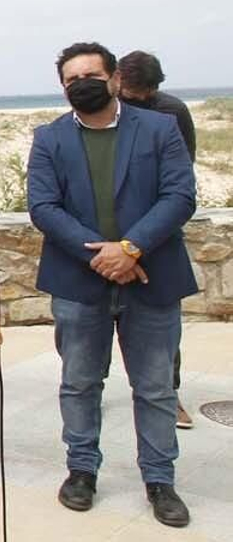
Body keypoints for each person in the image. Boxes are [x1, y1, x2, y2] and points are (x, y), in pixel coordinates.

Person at [29, 42, 197, 529]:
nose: (81, 83)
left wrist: (130, 248)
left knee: (155, 387)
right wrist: (102, 254)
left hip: (151, 278)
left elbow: (180, 194)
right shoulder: (49, 138)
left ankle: (160, 480)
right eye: (70, 78)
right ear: (63, 88)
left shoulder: (160, 129)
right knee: (80, 384)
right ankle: (81, 471)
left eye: (91, 74)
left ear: (115, 79)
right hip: (79, 283)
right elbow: (44, 207)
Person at [117, 50, 199, 430]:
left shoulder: (172, 112)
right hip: (103, 240)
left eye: (146, 94)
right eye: (132, 93)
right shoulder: (104, 108)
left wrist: (144, 236)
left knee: (164, 328)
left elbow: (181, 179)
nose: (139, 101)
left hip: (157, 235)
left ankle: (170, 393)